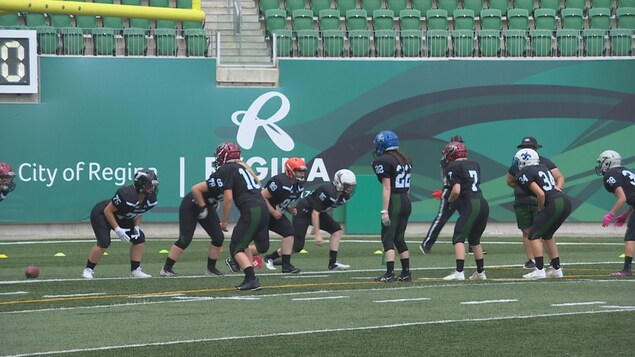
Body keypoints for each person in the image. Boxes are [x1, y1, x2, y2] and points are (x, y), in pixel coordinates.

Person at [212, 141, 269, 291]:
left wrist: (224, 221)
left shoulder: (227, 169)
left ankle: (251, 279)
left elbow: (228, 198)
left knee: (236, 247)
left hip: (251, 210)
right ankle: (249, 277)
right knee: (245, 243)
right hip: (263, 208)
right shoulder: (243, 168)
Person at [82, 169, 159, 279]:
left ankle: (135, 270)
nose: (152, 188)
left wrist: (136, 226)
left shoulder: (150, 198)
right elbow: (108, 211)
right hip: (103, 214)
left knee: (139, 238)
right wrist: (117, 229)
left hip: (122, 216)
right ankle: (88, 269)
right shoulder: (126, 194)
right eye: (148, 185)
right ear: (140, 184)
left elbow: (139, 211)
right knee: (104, 242)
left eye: (153, 185)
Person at [506, 136, 564, 269]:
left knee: (543, 232)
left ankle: (549, 263)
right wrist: (525, 186)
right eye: (524, 147)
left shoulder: (545, 162)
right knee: (527, 232)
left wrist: (558, 188)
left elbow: (559, 177)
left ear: (535, 148)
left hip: (541, 201)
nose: (526, 150)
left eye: (530, 147)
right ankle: (532, 260)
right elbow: (509, 180)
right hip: (522, 201)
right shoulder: (518, 162)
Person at [514, 148, 571, 280]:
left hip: (551, 202)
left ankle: (539, 269)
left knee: (534, 234)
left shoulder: (525, 172)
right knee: (547, 235)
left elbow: (540, 193)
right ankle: (557, 269)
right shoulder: (543, 167)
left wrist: (541, 208)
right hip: (563, 200)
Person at [159, 165, 226, 277]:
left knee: (218, 237)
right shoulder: (220, 180)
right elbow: (196, 189)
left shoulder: (233, 183)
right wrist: (203, 207)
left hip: (207, 206)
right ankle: (166, 268)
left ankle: (211, 269)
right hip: (191, 205)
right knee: (185, 240)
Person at [290, 169, 356, 271]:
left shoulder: (343, 195)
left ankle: (332, 263)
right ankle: (271, 258)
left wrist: (318, 224)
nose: (350, 188)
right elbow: (315, 213)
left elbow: (326, 208)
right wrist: (317, 234)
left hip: (315, 212)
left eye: (351, 185)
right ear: (339, 182)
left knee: (337, 230)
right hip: (303, 211)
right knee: (297, 246)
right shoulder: (328, 191)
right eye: (347, 185)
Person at [441, 141, 489, 281]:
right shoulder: (475, 164)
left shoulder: (453, 166)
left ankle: (459, 272)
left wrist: (449, 201)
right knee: (475, 240)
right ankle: (480, 272)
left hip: (470, 203)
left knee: (458, 237)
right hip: (482, 202)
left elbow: (456, 190)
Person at [371, 130, 413, 282]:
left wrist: (384, 211)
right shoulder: (405, 159)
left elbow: (387, 187)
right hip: (406, 200)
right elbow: (408, 187)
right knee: (400, 238)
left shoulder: (384, 160)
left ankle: (389, 273)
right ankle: (406, 272)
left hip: (394, 200)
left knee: (388, 237)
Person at [260, 157, 307, 274]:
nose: (301, 173)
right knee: (261, 246)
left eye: (302, 171)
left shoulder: (298, 185)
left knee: (289, 232)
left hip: (275, 213)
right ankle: (235, 258)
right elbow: (261, 196)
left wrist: (289, 209)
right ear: (290, 170)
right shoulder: (279, 181)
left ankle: (286, 265)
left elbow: (283, 200)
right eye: (298, 171)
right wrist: (272, 211)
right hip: (263, 212)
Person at [420, 134, 463, 254]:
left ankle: (472, 245)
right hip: (450, 189)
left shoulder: (460, 159)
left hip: (461, 189)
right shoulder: (446, 159)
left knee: (468, 217)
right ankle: (426, 244)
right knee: (441, 218)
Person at [595, 150, 634, 277]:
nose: (600, 166)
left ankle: (627, 270)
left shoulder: (611, 174)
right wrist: (626, 214)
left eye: (601, 163)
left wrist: (610, 214)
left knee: (631, 238)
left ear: (607, 162)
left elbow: (622, 198)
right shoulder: (627, 171)